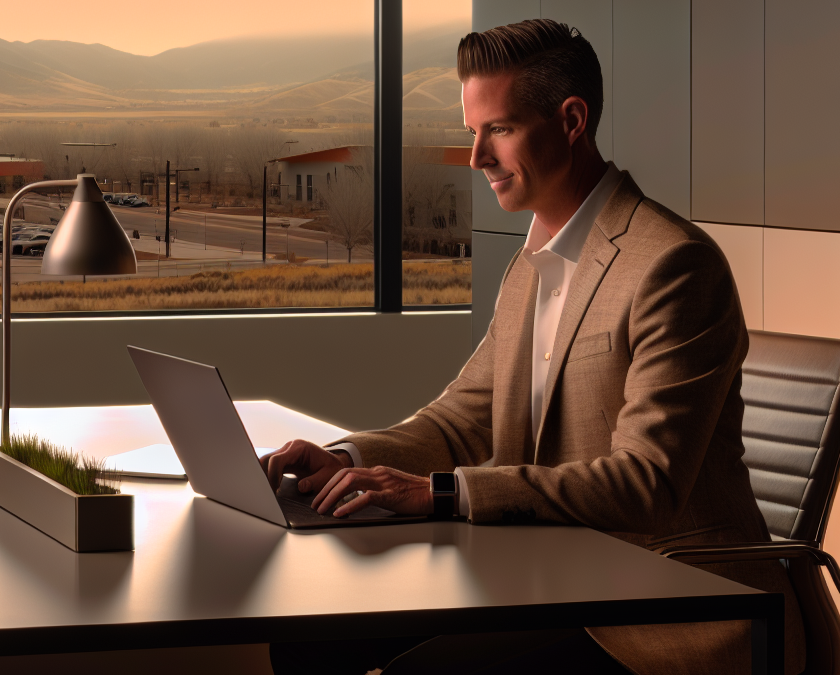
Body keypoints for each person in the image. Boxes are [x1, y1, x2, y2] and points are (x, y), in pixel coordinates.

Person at [262, 19, 804, 675]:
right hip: (548, 579)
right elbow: (462, 419)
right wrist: (346, 457)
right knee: (308, 636)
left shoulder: (673, 266)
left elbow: (646, 482)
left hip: (671, 609)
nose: (476, 157)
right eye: (472, 132)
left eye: (499, 129)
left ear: (571, 120)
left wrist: (441, 493)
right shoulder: (532, 266)